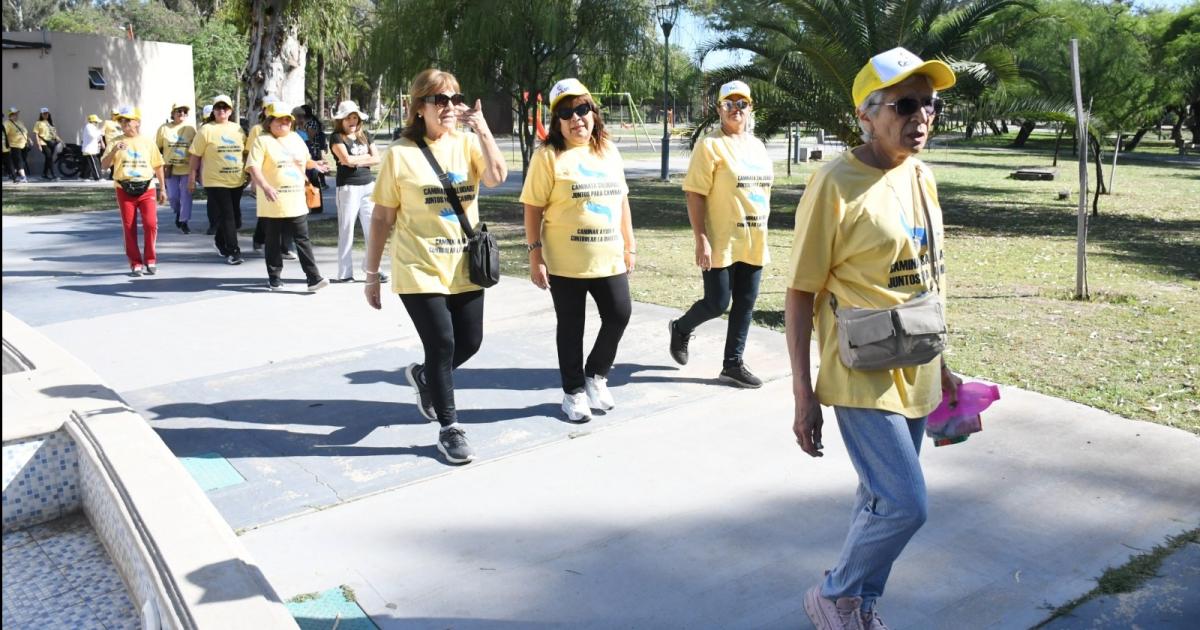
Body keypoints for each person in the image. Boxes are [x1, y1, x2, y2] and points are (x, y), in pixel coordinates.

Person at [785, 47, 962, 630]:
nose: (921, 117)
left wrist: (946, 362)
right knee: (906, 503)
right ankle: (834, 592)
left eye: (929, 105)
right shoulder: (835, 182)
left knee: (878, 497)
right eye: (905, 104)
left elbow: (931, 274)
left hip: (916, 359)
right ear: (866, 114)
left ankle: (860, 604)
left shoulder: (922, 176)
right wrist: (803, 393)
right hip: (859, 368)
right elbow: (800, 292)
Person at [363, 68, 507, 464]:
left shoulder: (466, 144)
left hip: (465, 264)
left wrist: (483, 130)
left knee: (470, 342)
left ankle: (426, 377)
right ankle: (449, 428)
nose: (448, 107)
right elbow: (381, 219)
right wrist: (372, 274)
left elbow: (496, 177)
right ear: (420, 107)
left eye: (453, 99)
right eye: (439, 100)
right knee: (441, 343)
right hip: (418, 266)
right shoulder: (400, 154)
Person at [520, 78, 635, 423]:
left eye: (582, 109)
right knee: (571, 326)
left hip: (608, 256)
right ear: (557, 121)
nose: (576, 118)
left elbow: (622, 200)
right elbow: (532, 207)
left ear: (593, 113)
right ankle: (572, 393)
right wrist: (534, 253)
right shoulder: (548, 156)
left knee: (619, 313)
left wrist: (630, 245)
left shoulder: (609, 151)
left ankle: (595, 375)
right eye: (566, 112)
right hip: (565, 261)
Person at [670, 80, 772, 389]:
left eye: (742, 104)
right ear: (719, 109)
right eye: (729, 104)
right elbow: (694, 194)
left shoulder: (757, 146)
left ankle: (732, 365)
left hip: (754, 239)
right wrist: (700, 237)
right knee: (717, 303)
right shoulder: (710, 145)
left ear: (749, 108)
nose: (736, 110)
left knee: (745, 302)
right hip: (721, 240)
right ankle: (681, 328)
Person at [244, 101, 331, 292]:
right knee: (273, 240)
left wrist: (315, 165)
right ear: (270, 122)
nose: (285, 123)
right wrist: (265, 186)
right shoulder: (262, 140)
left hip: (296, 199)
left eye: (287, 120)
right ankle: (274, 277)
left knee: (302, 239)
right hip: (272, 200)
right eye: (280, 120)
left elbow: (304, 161)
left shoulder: (296, 139)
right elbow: (253, 167)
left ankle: (313, 278)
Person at [100, 105, 167, 276]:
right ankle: (135, 263)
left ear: (137, 122)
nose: (124, 123)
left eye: (128, 120)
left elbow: (158, 165)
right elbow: (104, 165)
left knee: (151, 225)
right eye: (121, 120)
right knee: (129, 227)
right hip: (124, 188)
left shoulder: (147, 142)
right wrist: (114, 150)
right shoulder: (115, 141)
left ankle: (150, 259)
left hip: (147, 188)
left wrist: (163, 189)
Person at [329, 100, 383, 283]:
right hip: (348, 187)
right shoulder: (337, 137)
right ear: (341, 121)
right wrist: (363, 158)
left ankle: (373, 268)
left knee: (373, 229)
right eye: (348, 118)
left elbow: (377, 159)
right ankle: (345, 273)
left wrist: (356, 159)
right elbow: (346, 160)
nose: (352, 121)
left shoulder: (365, 135)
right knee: (347, 229)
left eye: (355, 117)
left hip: (368, 186)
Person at [188, 94, 246, 265]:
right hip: (215, 180)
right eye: (218, 108)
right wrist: (192, 176)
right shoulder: (206, 130)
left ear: (230, 111)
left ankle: (220, 241)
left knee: (234, 216)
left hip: (236, 179)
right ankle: (234, 251)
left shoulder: (238, 129)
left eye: (225, 108)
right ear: (213, 111)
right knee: (228, 215)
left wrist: (250, 175)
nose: (222, 111)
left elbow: (244, 153)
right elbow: (195, 155)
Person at [250, 96, 294, 257]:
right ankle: (259, 239)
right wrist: (255, 182)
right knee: (268, 216)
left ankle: (286, 246)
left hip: (286, 181)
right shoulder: (257, 131)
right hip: (266, 181)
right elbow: (252, 159)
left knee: (289, 215)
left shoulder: (288, 132)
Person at [157, 102, 197, 233]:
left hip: (186, 167)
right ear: (173, 113)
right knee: (173, 196)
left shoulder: (191, 129)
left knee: (186, 196)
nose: (182, 113)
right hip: (170, 168)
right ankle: (178, 212)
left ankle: (184, 221)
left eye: (185, 111)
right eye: (179, 111)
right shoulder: (164, 128)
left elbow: (196, 149)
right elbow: (157, 148)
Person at [32, 107, 62, 181]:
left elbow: (54, 133)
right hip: (43, 142)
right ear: (41, 114)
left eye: (47, 113)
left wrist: (60, 140)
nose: (45, 115)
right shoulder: (38, 123)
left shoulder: (50, 122)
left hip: (52, 142)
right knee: (49, 157)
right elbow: (36, 134)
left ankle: (44, 174)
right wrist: (38, 144)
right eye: (44, 113)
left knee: (48, 159)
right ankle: (53, 174)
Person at [4, 107, 30, 183]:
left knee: (22, 161)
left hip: (24, 145)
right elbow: (4, 134)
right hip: (14, 145)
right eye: (14, 114)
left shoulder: (20, 122)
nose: (16, 115)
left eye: (16, 113)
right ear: (10, 115)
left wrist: (29, 139)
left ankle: (12, 174)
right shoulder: (7, 124)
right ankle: (23, 177)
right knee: (19, 161)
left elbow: (25, 132)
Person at [78, 114, 104, 181]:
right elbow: (92, 135)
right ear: (93, 121)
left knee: (87, 165)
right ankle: (98, 177)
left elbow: (97, 137)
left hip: (91, 149)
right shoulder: (89, 126)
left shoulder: (93, 127)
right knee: (95, 163)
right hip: (90, 149)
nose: (97, 123)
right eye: (96, 122)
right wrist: (100, 132)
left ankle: (83, 177)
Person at [101, 109, 122, 178]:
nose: (116, 116)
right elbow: (102, 133)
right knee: (112, 158)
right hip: (110, 144)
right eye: (115, 114)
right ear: (112, 115)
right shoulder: (107, 122)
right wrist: (102, 142)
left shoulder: (119, 123)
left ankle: (116, 174)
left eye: (117, 114)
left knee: (118, 159)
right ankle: (112, 175)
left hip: (119, 144)